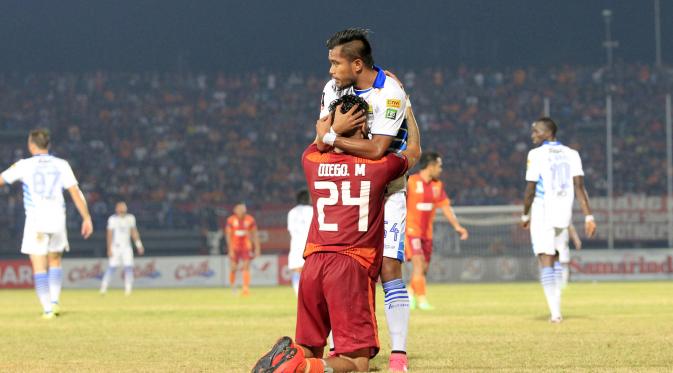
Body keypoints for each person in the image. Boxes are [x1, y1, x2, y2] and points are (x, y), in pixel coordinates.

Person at [252, 93, 421, 373]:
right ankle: (297, 370)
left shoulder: (311, 160)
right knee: (356, 363)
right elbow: (413, 152)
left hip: (313, 265)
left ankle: (294, 360)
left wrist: (332, 131)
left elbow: (321, 140)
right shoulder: (379, 166)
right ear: (364, 125)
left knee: (310, 347)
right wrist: (409, 112)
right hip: (349, 265)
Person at [317, 28, 411, 371]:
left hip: (388, 192)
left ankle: (398, 353)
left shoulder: (390, 93)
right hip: (348, 190)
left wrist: (332, 135)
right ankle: (340, 345)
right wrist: (329, 135)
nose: (330, 71)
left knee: (388, 267)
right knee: (342, 269)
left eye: (335, 63)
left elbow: (376, 150)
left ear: (357, 64)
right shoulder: (333, 89)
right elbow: (319, 138)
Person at [0, 128, 93, 318]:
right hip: (58, 218)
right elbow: (75, 192)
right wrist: (86, 217)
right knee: (55, 260)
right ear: (48, 145)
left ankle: (47, 309)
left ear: (31, 145)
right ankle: (55, 301)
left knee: (39, 264)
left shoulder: (24, 165)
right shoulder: (62, 164)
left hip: (36, 219)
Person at [521, 117, 596, 323]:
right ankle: (556, 305)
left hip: (543, 209)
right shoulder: (572, 154)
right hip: (564, 212)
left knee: (545, 258)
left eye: (536, 131)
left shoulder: (536, 154)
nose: (532, 135)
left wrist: (525, 214)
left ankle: (555, 312)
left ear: (547, 132)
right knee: (553, 257)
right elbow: (580, 188)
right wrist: (589, 216)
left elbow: (530, 188)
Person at [406, 152, 469, 310]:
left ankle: (410, 293)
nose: (441, 169)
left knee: (424, 268)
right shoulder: (411, 182)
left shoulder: (437, 186)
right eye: (439, 166)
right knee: (418, 263)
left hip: (427, 233)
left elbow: (446, 208)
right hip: (411, 230)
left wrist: (457, 226)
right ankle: (421, 299)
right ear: (431, 165)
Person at [99, 201, 144, 296]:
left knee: (129, 267)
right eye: (121, 207)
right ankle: (104, 287)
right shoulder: (112, 219)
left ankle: (128, 289)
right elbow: (109, 234)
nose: (123, 209)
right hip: (116, 247)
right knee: (112, 267)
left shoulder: (130, 218)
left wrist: (139, 245)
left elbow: (134, 232)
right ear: (117, 209)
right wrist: (109, 248)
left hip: (127, 247)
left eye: (124, 207)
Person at [225, 203, 260, 295]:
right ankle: (233, 287)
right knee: (233, 268)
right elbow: (228, 236)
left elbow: (255, 234)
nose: (242, 212)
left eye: (244, 210)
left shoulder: (250, 220)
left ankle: (245, 289)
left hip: (246, 247)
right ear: (235, 211)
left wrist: (257, 248)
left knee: (246, 266)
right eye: (240, 210)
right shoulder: (231, 220)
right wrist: (230, 250)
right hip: (235, 247)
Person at [287, 189, 313, 295]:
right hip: (309, 244)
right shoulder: (312, 210)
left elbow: (290, 229)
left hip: (295, 245)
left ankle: (299, 296)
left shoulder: (291, 212)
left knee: (297, 271)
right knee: (310, 272)